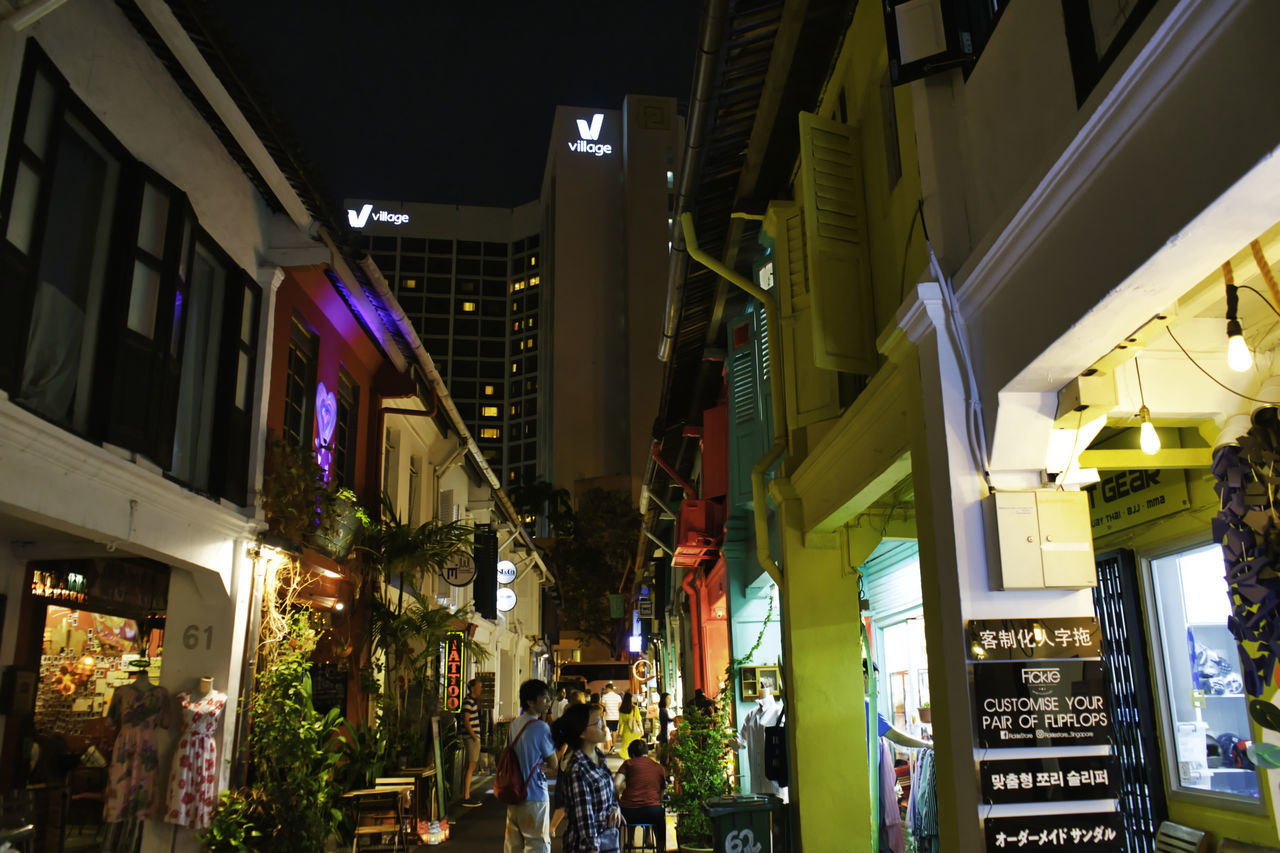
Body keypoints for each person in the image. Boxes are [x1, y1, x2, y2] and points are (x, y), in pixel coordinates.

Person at [552, 703, 624, 853]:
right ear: (582, 733)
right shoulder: (578, 769)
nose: (604, 726)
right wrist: (592, 848)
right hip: (587, 847)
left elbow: (609, 797)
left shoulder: (598, 758)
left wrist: (615, 808)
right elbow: (585, 820)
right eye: (597, 723)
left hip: (607, 841)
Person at [504, 679, 557, 853]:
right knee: (537, 845)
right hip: (535, 795)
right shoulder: (541, 727)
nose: (548, 702)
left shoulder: (513, 725)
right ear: (530, 702)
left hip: (513, 793)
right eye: (544, 698)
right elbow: (554, 764)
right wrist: (544, 769)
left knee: (514, 846)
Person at [616, 740, 667, 853]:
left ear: (632, 754)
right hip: (652, 812)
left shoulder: (628, 763)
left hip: (628, 813)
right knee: (660, 817)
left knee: (626, 807)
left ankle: (627, 842)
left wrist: (616, 801)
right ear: (647, 752)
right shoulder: (659, 768)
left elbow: (616, 784)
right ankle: (660, 848)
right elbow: (661, 793)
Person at [461, 678, 484, 806]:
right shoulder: (469, 701)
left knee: (470, 765)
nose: (481, 689)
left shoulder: (471, 701)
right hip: (471, 737)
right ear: (473, 688)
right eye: (479, 686)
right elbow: (466, 720)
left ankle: (466, 794)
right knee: (471, 765)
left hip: (472, 736)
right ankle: (466, 796)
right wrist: (473, 735)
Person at [616, 692, 644, 758]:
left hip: (626, 731)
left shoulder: (621, 709)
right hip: (635, 731)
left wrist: (619, 732)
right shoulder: (635, 708)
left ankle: (627, 759)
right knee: (635, 746)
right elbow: (638, 720)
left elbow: (621, 722)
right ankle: (635, 759)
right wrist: (641, 729)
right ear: (630, 699)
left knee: (626, 747)